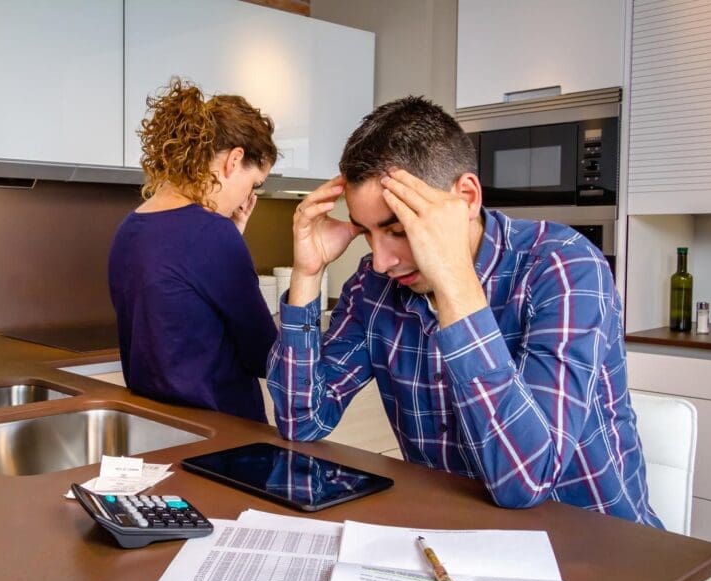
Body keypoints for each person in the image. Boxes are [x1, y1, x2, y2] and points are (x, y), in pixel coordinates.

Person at [266, 96, 662, 526]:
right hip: (456, 537)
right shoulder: (375, 285)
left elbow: (525, 479)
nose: (380, 260)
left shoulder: (563, 267)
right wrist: (307, 275)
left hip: (598, 548)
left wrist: (453, 280)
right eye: (366, 233)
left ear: (467, 197)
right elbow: (301, 420)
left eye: (399, 230)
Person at [109, 79, 278, 423]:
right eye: (254, 184)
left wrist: (231, 236)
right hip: (223, 437)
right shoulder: (212, 236)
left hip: (156, 431)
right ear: (234, 160)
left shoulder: (129, 229)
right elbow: (264, 355)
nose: (248, 198)